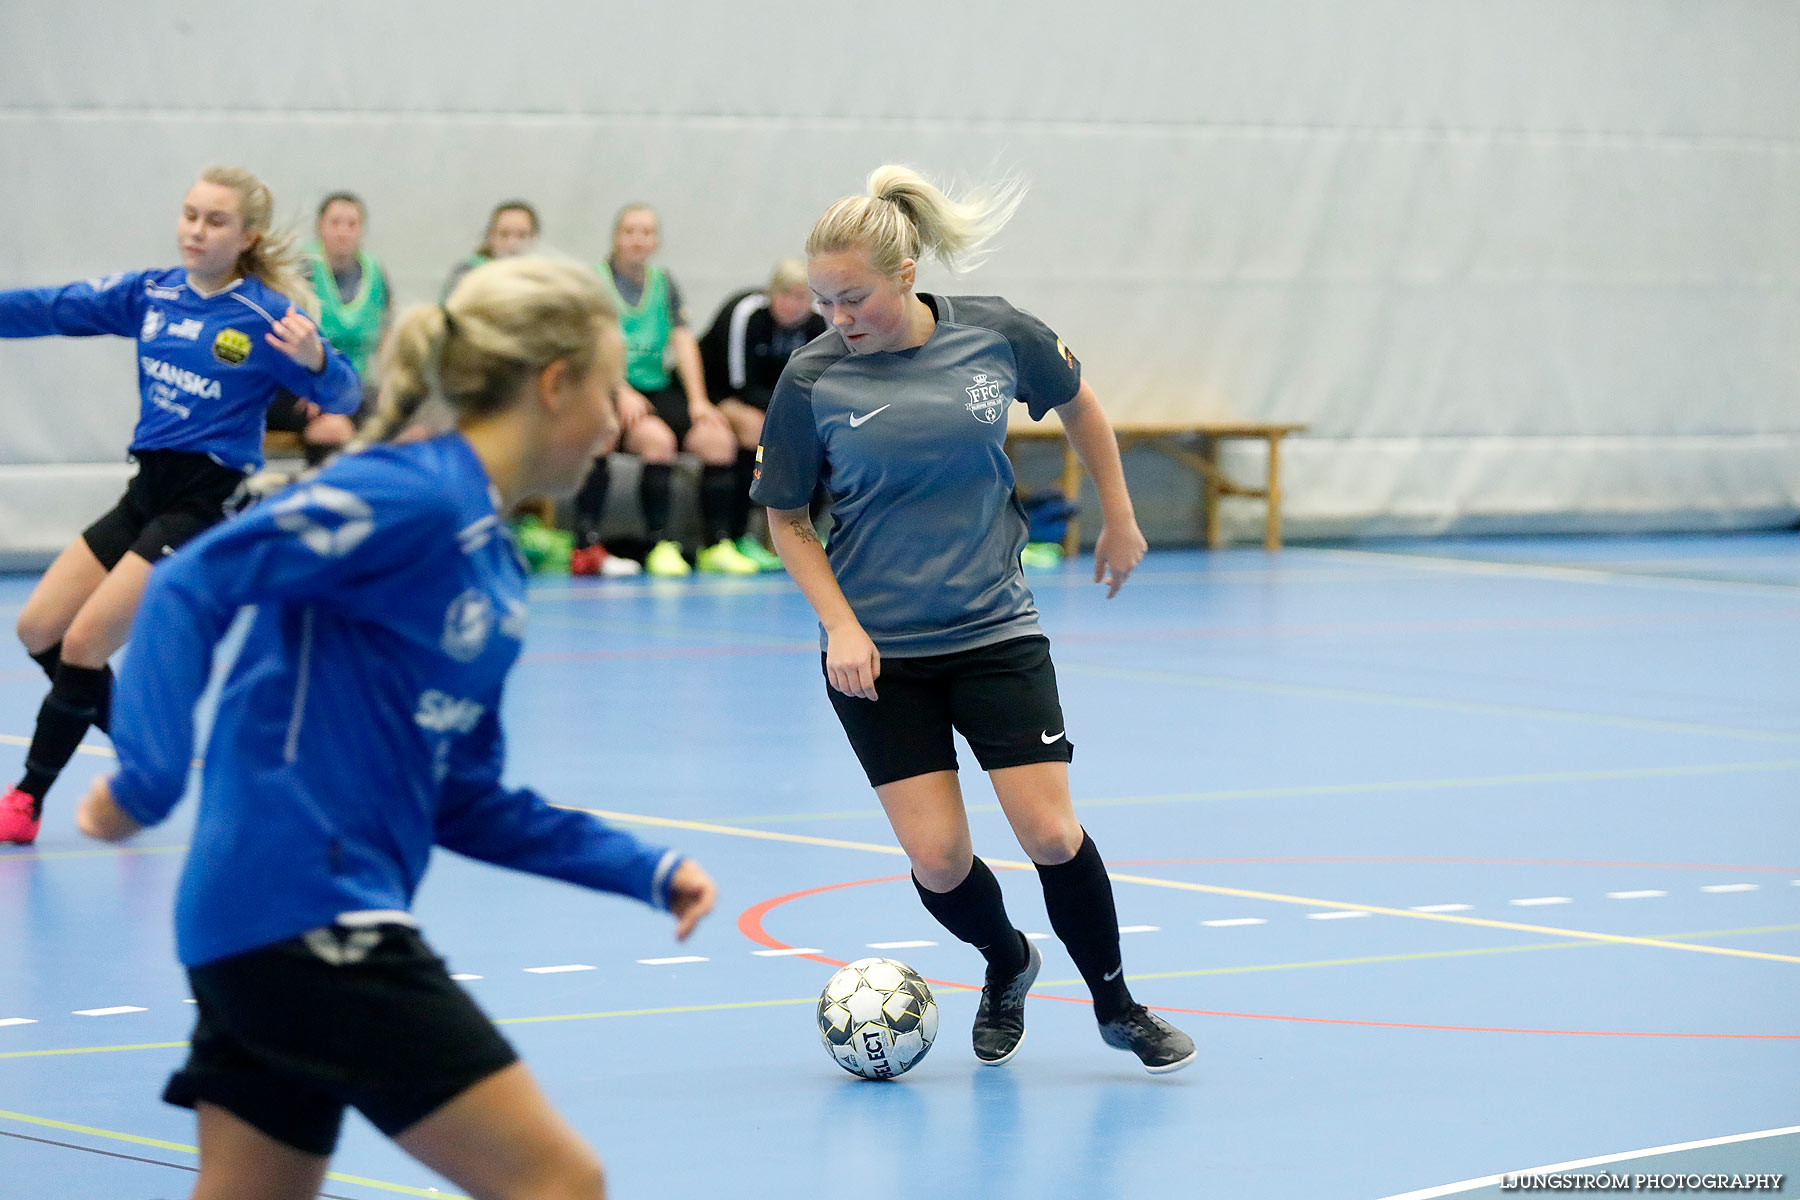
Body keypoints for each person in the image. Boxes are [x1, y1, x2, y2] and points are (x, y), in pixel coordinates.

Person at [75, 254, 718, 1199]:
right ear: (554, 385)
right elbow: (189, 583)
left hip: (260, 929)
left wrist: (641, 869)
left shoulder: (493, 563)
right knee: (559, 1183)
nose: (627, 416)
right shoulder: (407, 494)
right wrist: (147, 778)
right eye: (613, 385)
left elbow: (464, 797)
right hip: (310, 915)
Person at [751, 166, 1195, 1074]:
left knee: (1050, 833)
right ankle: (1006, 959)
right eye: (823, 301)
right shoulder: (812, 378)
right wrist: (841, 625)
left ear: (906, 273)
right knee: (942, 860)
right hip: (879, 655)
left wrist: (1119, 514)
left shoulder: (996, 333)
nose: (838, 316)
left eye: (855, 297)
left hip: (995, 632)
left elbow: (1080, 403)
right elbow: (786, 519)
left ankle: (1118, 1006)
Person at [0, 165, 361, 846]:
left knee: (83, 644)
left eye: (214, 220)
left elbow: (344, 397)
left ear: (246, 235)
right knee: (38, 630)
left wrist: (317, 363)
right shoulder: (152, 294)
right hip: (147, 491)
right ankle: (143, 746)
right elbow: (55, 306)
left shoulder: (267, 319)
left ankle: (26, 797)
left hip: (204, 503)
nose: (196, 230)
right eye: (190, 214)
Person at [569, 204, 756, 577]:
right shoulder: (594, 282)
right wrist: (618, 389)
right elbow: (585, 342)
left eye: (646, 232)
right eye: (630, 231)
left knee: (717, 440)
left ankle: (717, 543)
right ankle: (600, 544)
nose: (638, 239)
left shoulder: (663, 282)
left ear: (656, 240)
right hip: (607, 388)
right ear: (616, 238)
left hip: (656, 387)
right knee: (655, 442)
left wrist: (699, 401)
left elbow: (683, 341)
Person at [697, 257, 827, 571]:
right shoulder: (746, 314)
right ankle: (738, 536)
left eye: (804, 298)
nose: (798, 306)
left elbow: (819, 381)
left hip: (777, 402)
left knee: (817, 437)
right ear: (773, 295)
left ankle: (797, 535)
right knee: (755, 431)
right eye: (790, 297)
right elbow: (739, 383)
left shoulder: (815, 323)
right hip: (722, 393)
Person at [265, 191, 393, 464]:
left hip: (354, 385)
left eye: (352, 224)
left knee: (396, 420)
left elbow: (387, 336)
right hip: (299, 385)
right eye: (335, 223)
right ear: (320, 228)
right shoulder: (301, 270)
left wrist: (391, 383)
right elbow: (278, 334)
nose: (343, 232)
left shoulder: (376, 273)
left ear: (361, 230)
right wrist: (314, 388)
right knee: (331, 430)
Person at [441, 199, 539, 302]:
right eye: (504, 234)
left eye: (521, 235)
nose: (512, 243)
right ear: (492, 236)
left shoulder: (541, 278)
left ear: (533, 238)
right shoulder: (469, 272)